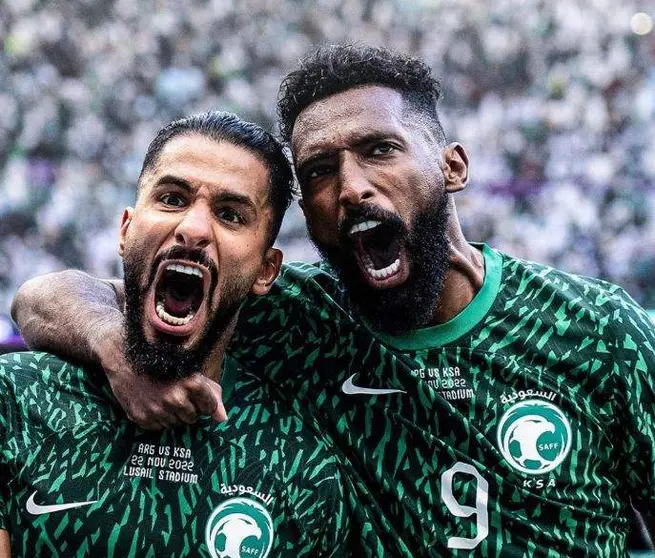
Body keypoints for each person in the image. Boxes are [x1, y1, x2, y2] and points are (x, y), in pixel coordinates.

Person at [12, 44, 655, 556]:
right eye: (319, 170)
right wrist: (118, 352)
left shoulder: (596, 330)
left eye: (380, 150)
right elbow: (46, 296)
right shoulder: (299, 317)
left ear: (453, 166)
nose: (351, 188)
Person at [1, 110, 354, 557]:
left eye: (230, 215)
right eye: (171, 199)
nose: (192, 229)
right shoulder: (14, 400)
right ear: (125, 230)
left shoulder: (301, 467)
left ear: (267, 270)